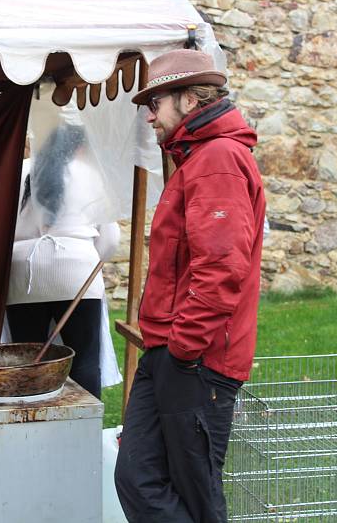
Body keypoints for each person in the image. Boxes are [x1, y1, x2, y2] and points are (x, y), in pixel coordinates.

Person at [114, 49, 266, 522]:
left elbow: (221, 268)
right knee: (137, 477)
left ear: (187, 98)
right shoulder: (199, 158)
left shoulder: (218, 159)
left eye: (155, 101)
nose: (148, 114)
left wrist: (184, 348)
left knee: (196, 495)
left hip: (197, 359)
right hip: (171, 351)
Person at [6, 122, 120, 399]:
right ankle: (85, 427)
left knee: (29, 360)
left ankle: (30, 423)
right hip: (77, 270)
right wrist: (93, 261)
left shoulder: (19, 171)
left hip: (25, 273)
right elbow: (111, 239)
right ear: (79, 148)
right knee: (84, 360)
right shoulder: (91, 174)